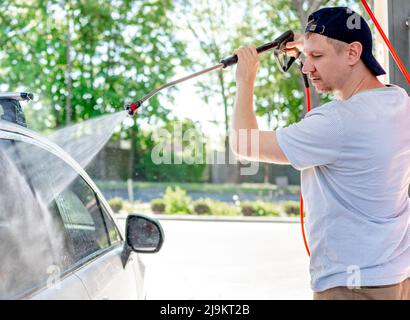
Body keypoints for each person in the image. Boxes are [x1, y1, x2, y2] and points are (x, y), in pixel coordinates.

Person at [230, 6, 410, 300]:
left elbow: (244, 144)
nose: (305, 67)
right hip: (396, 278)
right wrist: (311, 44)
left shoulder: (337, 121)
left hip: (352, 288)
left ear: (353, 53)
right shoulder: (397, 101)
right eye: (306, 56)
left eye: (317, 57)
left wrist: (245, 79)